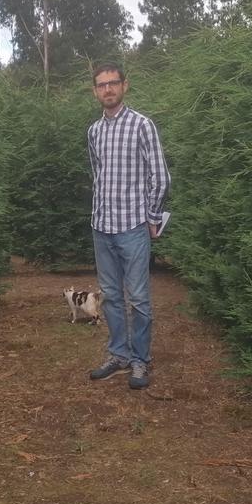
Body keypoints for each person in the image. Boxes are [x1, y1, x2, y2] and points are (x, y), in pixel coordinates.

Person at [85, 62, 170, 390]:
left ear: (124, 86)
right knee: (111, 296)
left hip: (133, 226)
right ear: (95, 91)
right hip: (101, 226)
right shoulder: (94, 131)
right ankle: (119, 355)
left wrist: (151, 217)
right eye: (101, 85)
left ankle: (140, 361)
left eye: (113, 83)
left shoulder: (142, 126)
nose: (107, 89)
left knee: (138, 297)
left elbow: (160, 177)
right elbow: (97, 174)